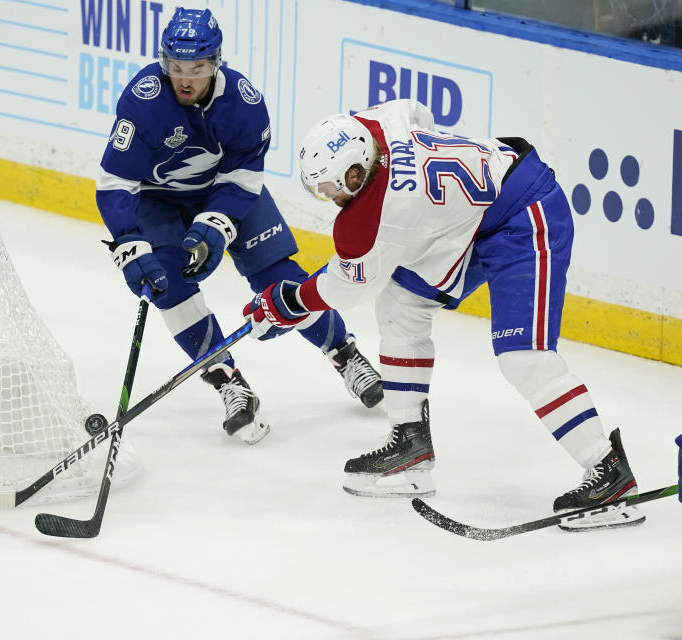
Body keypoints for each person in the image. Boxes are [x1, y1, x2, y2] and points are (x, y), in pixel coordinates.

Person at [243, 99, 644, 530]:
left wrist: (285, 303)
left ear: (355, 174)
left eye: (330, 188)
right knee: (400, 303)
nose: (328, 198)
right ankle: (410, 442)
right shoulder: (373, 126)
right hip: (473, 216)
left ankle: (609, 470)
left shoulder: (378, 215)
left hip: (527, 212)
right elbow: (417, 113)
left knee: (522, 357)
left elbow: (346, 287)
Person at [96, 7, 383, 445]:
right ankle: (229, 381)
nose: (185, 78)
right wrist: (130, 242)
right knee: (170, 288)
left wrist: (218, 223)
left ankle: (344, 352)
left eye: (196, 67)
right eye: (176, 67)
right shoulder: (143, 100)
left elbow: (244, 176)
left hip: (225, 192)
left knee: (280, 278)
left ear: (215, 62)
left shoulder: (244, 104)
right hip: (158, 202)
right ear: (163, 62)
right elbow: (116, 181)